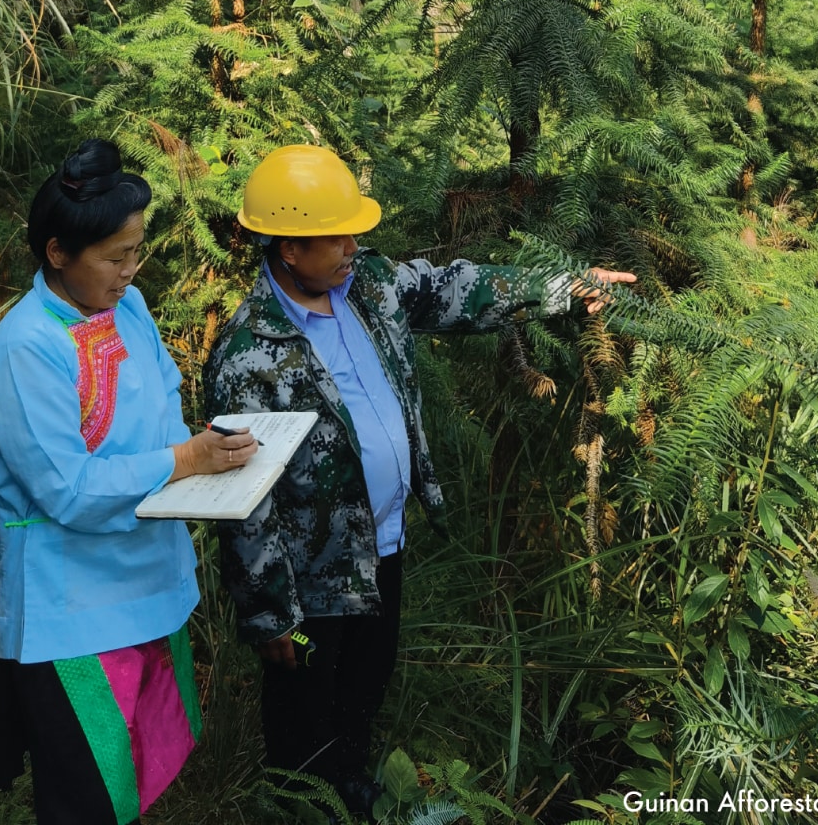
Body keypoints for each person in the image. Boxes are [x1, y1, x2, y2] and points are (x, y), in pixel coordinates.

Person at [203, 144, 633, 817]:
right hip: (311, 576)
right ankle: (302, 805)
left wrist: (564, 288)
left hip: (384, 546)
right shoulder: (247, 354)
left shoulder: (370, 285)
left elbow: (458, 288)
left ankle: (354, 786)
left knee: (365, 685)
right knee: (304, 708)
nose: (353, 246)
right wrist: (270, 612)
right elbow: (242, 500)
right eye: (337, 237)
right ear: (288, 248)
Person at [0, 138, 259, 825]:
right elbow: (66, 488)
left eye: (137, 252)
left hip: (143, 577)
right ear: (57, 253)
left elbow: (162, 404)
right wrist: (185, 462)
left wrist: (201, 457)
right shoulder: (26, 347)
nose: (130, 271)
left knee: (130, 779)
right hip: (73, 610)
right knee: (85, 793)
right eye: (115, 257)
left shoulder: (129, 306)